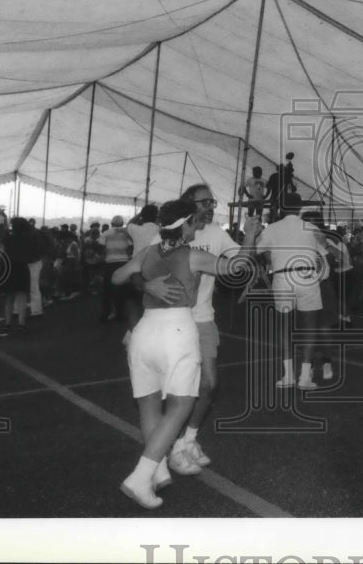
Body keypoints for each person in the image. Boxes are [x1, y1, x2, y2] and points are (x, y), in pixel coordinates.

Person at [118, 184, 260, 476]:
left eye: (212, 201)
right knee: (167, 395)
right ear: (188, 208)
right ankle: (158, 459)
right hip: (167, 321)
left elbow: (240, 263)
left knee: (208, 384)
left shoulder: (217, 233)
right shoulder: (166, 234)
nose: (210, 206)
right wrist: (146, 284)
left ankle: (186, 442)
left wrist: (251, 238)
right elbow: (133, 275)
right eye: (204, 202)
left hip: (201, 318)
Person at [112, 199, 209, 509]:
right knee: (181, 405)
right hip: (176, 333)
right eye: (196, 221)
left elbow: (117, 277)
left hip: (143, 332)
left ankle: (158, 470)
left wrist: (146, 284)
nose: (199, 226)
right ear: (188, 223)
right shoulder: (194, 255)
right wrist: (249, 239)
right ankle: (140, 477)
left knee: (149, 404)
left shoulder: (149, 251)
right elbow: (236, 266)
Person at [256, 193, 332, 389]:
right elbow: (324, 255)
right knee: (309, 328)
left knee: (284, 328)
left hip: (283, 277)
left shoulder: (271, 229)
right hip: (307, 277)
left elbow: (257, 250)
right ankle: (305, 377)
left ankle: (287, 375)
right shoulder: (312, 227)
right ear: (300, 208)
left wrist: (271, 256)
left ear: (280, 208)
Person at [99, 215, 133, 323]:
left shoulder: (106, 233)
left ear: (111, 223)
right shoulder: (125, 233)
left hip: (110, 264)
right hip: (123, 263)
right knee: (122, 289)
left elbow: (101, 245)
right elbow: (131, 246)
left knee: (108, 289)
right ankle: (120, 314)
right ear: (122, 223)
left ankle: (107, 313)